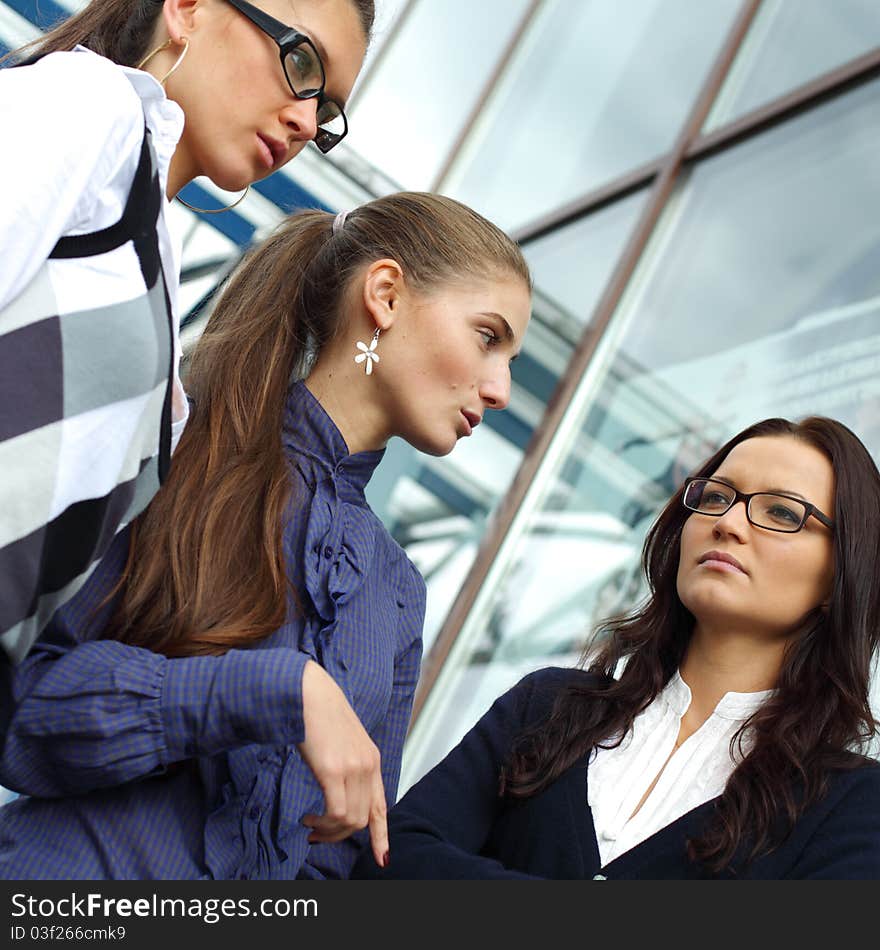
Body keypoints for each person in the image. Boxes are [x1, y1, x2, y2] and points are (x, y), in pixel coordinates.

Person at [0, 191, 533, 879]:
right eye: (488, 338)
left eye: (513, 360)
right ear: (386, 295)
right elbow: (24, 713)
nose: (501, 390)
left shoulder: (398, 594)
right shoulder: (174, 451)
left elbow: (343, 859)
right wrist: (271, 689)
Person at [0, 0, 371, 666]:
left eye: (329, 111)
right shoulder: (86, 105)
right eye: (302, 62)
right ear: (188, 9)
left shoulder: (151, 260)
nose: (306, 120)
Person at [352, 416, 880, 880]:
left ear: (841, 579)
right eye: (716, 497)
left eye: (783, 513)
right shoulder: (548, 706)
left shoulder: (852, 805)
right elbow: (394, 861)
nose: (728, 523)